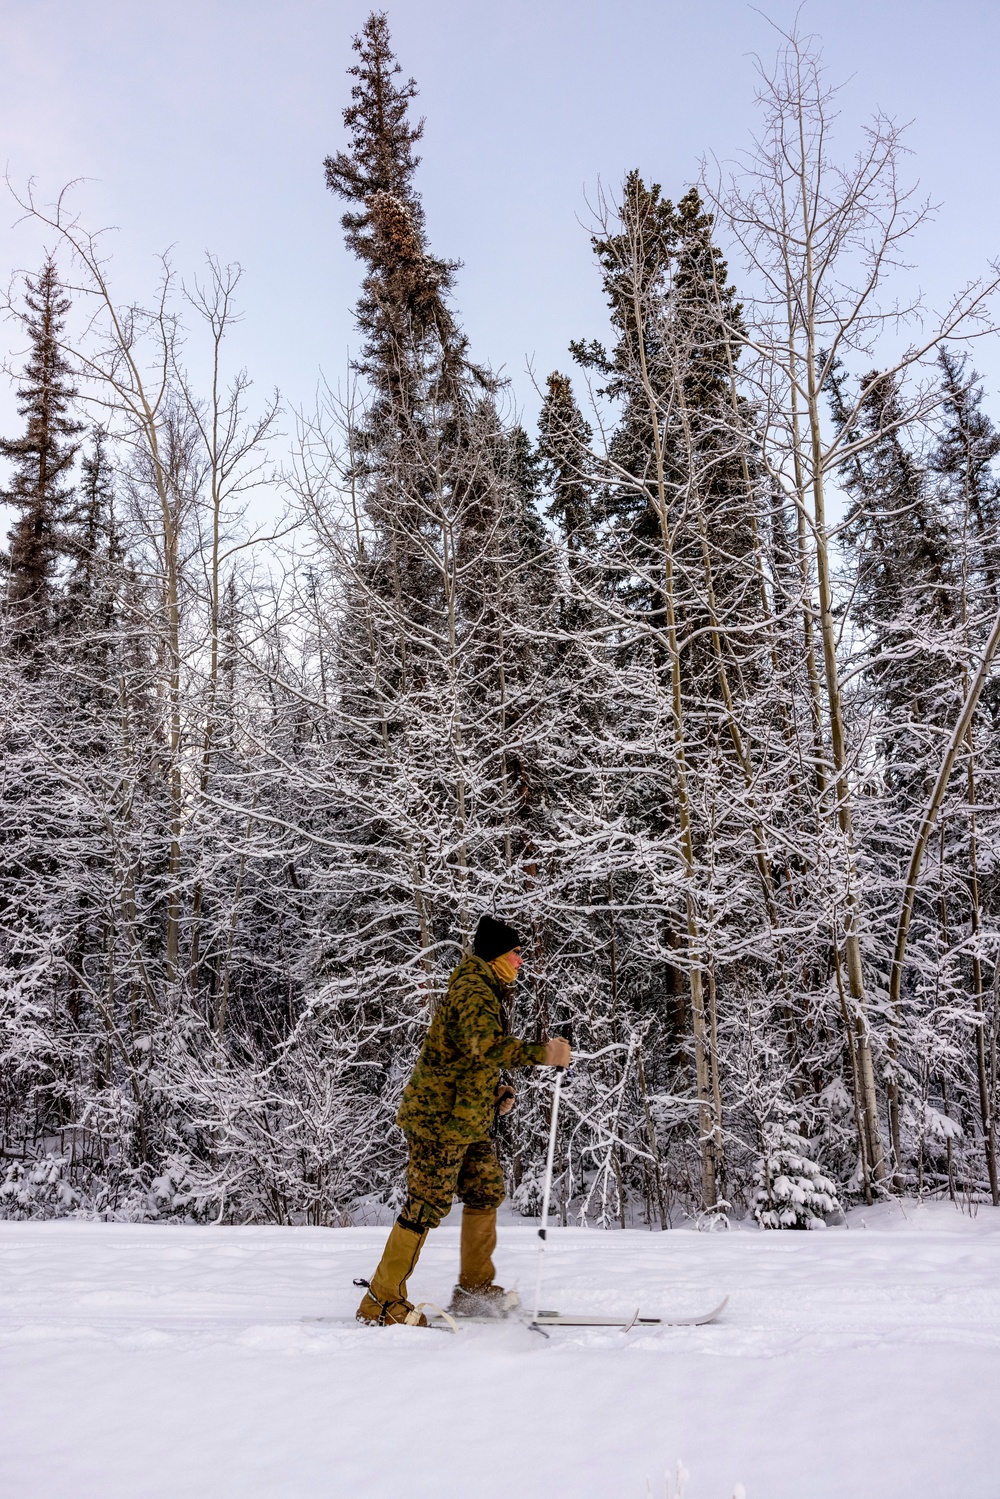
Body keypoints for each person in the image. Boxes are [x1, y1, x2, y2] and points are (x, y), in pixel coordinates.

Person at [355, 913, 572, 1326]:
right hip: (439, 1122)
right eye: (516, 953)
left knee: (486, 1191)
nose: (521, 961)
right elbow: (485, 1046)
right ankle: (380, 1302)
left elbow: (464, 1057)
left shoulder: (485, 988)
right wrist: (543, 1054)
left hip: (466, 1120)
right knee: (426, 1205)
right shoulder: (473, 990)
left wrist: (493, 1094)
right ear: (497, 956)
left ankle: (475, 1291)